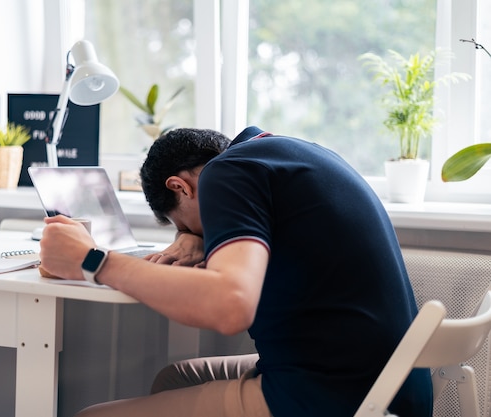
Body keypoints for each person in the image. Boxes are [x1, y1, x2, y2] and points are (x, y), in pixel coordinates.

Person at [38, 126, 433, 417]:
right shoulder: (282, 153)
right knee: (172, 380)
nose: (188, 237)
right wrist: (203, 236)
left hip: (331, 396)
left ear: (180, 186)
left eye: (183, 225)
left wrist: (92, 260)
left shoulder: (225, 174)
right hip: (392, 381)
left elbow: (230, 306)